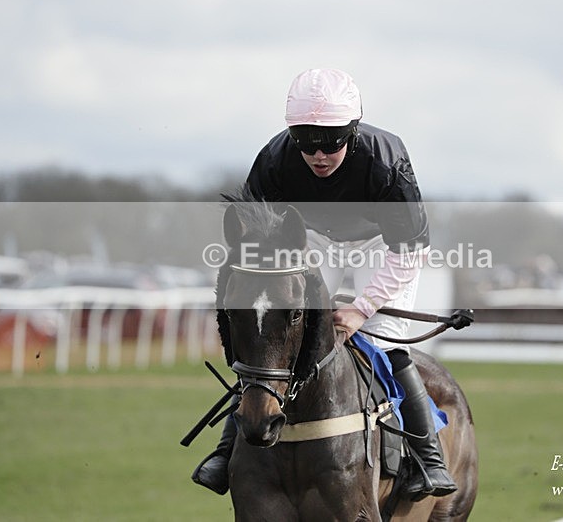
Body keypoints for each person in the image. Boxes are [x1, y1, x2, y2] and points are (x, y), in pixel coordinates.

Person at [192, 68, 457, 500]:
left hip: (383, 246)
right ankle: (227, 451)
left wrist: (362, 307)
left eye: (332, 140)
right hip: (313, 240)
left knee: (387, 340)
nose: (319, 154)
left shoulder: (386, 159)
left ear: (353, 130)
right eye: (305, 141)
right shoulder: (274, 161)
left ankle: (428, 459)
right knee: (279, 333)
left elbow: (409, 250)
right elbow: (258, 243)